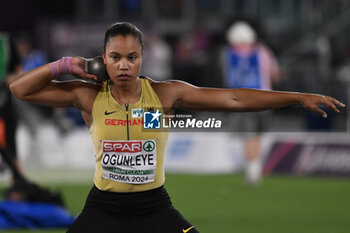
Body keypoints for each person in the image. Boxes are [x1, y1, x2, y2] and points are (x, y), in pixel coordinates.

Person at [9, 22, 344, 233]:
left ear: (142, 57)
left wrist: (298, 97)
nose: (123, 65)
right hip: (102, 209)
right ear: (103, 58)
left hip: (154, 207)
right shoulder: (87, 95)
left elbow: (234, 100)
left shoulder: (166, 94)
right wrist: (65, 64)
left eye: (132, 57)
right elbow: (19, 89)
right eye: (115, 57)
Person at [222, 21, 281, 184]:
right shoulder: (262, 52)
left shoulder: (229, 54)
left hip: (242, 100)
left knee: (249, 136)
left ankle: (253, 171)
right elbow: (274, 74)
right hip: (263, 99)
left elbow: (229, 77)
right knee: (257, 136)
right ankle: (254, 170)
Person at [0, 31, 23, 185]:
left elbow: (19, 70)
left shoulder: (6, 42)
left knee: (11, 139)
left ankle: (17, 179)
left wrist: (11, 79)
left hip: (5, 98)